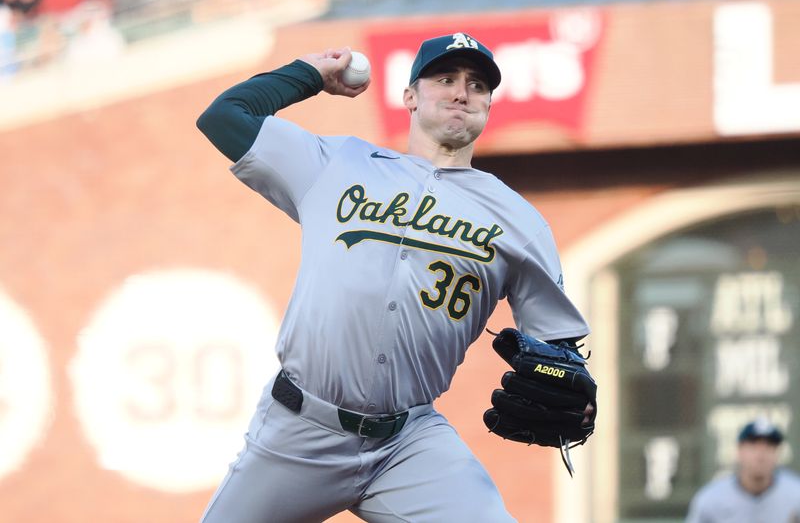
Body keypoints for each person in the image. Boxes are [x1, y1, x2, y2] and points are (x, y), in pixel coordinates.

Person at [196, 32, 592, 522]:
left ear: (489, 104)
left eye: (476, 85)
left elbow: (561, 351)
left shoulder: (520, 220)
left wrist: (574, 391)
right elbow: (224, 117)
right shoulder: (337, 163)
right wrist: (310, 73)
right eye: (445, 79)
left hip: (409, 444)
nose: (461, 92)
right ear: (410, 96)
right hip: (298, 433)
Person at [686, 418, 800, 523]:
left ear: (777, 453)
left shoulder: (796, 494)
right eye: (753, 446)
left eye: (769, 447)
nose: (761, 455)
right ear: (739, 451)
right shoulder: (710, 499)